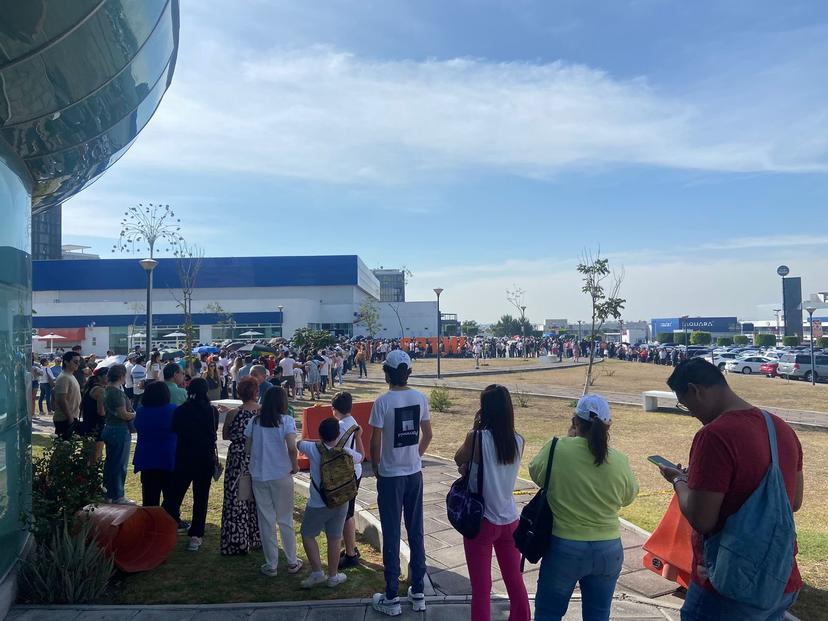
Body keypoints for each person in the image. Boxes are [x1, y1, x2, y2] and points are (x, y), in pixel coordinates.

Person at [659, 359, 803, 620]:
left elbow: (702, 520)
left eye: (685, 404)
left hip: (728, 587)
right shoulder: (781, 428)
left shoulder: (714, 435)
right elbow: (793, 500)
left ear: (695, 390)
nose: (690, 413)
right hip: (779, 581)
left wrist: (678, 481)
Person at [529, 394, 639, 621]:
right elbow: (628, 497)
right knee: (598, 616)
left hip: (564, 548)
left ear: (575, 422)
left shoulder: (555, 448)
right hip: (608, 550)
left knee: (548, 614)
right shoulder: (619, 460)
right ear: (608, 426)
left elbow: (537, 474)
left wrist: (569, 439)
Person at [453, 385, 530, 621]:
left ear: (484, 408)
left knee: (481, 588)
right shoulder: (518, 441)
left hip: (482, 519)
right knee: (515, 582)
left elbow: (459, 458)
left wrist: (476, 427)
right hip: (510, 519)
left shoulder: (477, 437)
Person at [369, 349, 432, 616]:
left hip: (391, 476)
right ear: (408, 372)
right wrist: (415, 456)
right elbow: (427, 435)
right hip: (413, 474)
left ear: (387, 374)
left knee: (392, 533)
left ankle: (392, 596)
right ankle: (418, 592)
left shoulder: (382, 402)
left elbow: (375, 441)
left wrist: (377, 467)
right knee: (416, 531)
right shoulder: (420, 398)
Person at [244, 385, 303, 576]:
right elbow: (292, 448)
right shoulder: (286, 421)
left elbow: (247, 448)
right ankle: (292, 561)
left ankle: (271, 564)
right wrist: (294, 465)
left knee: (266, 520)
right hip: (281, 474)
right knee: (285, 518)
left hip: (259, 475)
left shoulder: (254, 421)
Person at [297, 417, 361, 589]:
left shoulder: (312, 448)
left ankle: (318, 572)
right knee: (334, 538)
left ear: (320, 434)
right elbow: (361, 457)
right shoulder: (346, 451)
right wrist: (359, 438)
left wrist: (317, 441)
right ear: (338, 434)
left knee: (307, 534)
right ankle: (333, 576)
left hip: (319, 502)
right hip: (341, 500)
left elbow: (298, 443)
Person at [163, 378, 219, 551]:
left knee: (175, 494)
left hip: (184, 456)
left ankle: (166, 526)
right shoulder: (212, 411)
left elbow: (174, 429)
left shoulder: (181, 410)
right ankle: (196, 535)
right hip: (205, 457)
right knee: (201, 497)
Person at [220, 376, 262, 555]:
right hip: (258, 457)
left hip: (237, 458)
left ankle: (236, 541)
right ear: (256, 392)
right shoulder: (263, 412)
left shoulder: (233, 414)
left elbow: (225, 435)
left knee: (235, 499)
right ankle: (257, 537)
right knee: (257, 499)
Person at [332, 391, 364, 569]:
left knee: (346, 514)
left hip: (346, 473)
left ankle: (351, 553)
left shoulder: (340, 426)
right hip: (355, 471)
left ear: (334, 409)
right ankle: (350, 547)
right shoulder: (353, 422)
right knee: (347, 512)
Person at [133, 381, 177, 507]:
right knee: (170, 493)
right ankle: (171, 518)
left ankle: (149, 520)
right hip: (167, 455)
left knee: (149, 495)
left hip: (147, 456)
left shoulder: (141, 411)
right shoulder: (172, 410)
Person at [101, 365, 137, 505]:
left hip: (109, 427)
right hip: (119, 429)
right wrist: (134, 414)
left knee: (110, 463)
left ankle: (109, 492)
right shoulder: (116, 393)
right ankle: (118, 495)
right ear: (121, 376)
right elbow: (123, 414)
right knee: (119, 464)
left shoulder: (106, 390)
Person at [53, 350, 82, 440]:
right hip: (64, 418)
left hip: (71, 417)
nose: (78, 364)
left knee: (67, 448)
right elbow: (61, 400)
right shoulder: (64, 377)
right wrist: (70, 419)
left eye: (79, 361)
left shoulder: (71, 375)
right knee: (63, 449)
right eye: (75, 362)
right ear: (66, 362)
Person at [80, 368, 108, 461]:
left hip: (87, 424)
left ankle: (85, 474)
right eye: (107, 375)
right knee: (95, 457)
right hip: (97, 426)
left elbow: (81, 406)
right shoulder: (100, 390)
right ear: (99, 377)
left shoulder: (89, 388)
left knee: (87, 455)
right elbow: (101, 411)